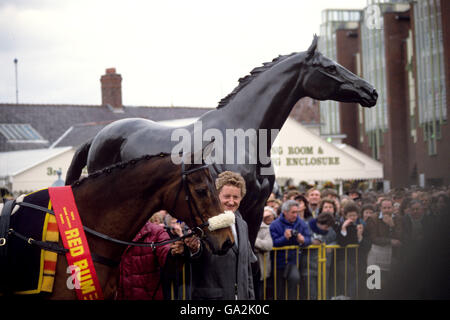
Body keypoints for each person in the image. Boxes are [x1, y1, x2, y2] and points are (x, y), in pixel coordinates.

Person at [187, 171, 256, 300]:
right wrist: (194, 249)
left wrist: (250, 296)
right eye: (227, 196)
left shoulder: (243, 225)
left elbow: (247, 269)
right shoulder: (203, 223)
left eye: (236, 197)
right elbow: (195, 256)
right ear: (216, 196)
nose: (231, 201)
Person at [116, 221, 188, 300]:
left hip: (148, 296)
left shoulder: (156, 232)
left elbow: (167, 260)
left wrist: (175, 254)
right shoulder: (117, 230)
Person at [269, 200, 311, 300]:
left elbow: (309, 238)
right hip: (278, 262)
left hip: (294, 262)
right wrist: (284, 238)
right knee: (279, 290)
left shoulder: (301, 223)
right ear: (285, 212)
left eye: (297, 212)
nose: (296, 215)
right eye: (293, 212)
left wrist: (303, 240)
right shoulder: (275, 224)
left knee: (294, 280)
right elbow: (272, 243)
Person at [365, 198, 402, 299]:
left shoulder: (398, 218)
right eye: (384, 208)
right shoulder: (373, 218)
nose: (387, 210)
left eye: (389, 208)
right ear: (380, 208)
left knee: (388, 286)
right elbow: (373, 238)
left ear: (393, 208)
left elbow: (400, 237)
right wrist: (389, 241)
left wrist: (392, 226)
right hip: (375, 256)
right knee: (373, 286)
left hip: (392, 257)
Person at [299, 212, 335, 300]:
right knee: (312, 294)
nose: (327, 229)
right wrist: (311, 242)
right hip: (308, 267)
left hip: (323, 266)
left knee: (323, 293)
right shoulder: (306, 227)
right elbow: (300, 241)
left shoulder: (330, 231)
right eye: (326, 227)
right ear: (319, 223)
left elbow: (334, 239)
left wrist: (331, 246)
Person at [335, 202, 364, 299]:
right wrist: (343, 228)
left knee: (358, 276)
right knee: (349, 274)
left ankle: (350, 296)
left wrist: (360, 235)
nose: (353, 217)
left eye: (354, 215)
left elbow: (360, 243)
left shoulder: (358, 226)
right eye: (350, 215)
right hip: (342, 259)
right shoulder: (340, 225)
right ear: (345, 215)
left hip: (355, 258)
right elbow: (342, 243)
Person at [254, 206, 275, 299]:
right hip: (248, 268)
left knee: (260, 295)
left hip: (261, 268)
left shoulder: (264, 228)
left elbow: (268, 245)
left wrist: (252, 240)